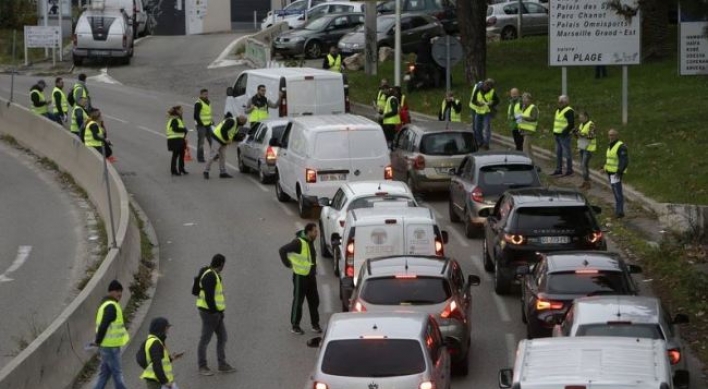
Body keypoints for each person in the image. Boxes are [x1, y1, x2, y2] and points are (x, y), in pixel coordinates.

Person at [195, 254, 235, 376]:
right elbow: (209, 298)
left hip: (215, 313)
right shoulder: (211, 276)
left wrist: (219, 312)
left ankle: (222, 364)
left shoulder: (207, 272)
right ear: (221, 264)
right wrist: (215, 312)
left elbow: (195, 291)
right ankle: (202, 366)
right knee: (205, 339)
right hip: (210, 313)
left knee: (222, 337)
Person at [279, 223, 321, 335]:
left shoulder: (310, 241)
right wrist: (288, 264)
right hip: (300, 277)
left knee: (314, 301)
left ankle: (315, 325)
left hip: (311, 276)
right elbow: (282, 250)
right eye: (315, 231)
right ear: (308, 232)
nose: (317, 233)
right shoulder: (298, 242)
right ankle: (295, 326)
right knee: (298, 301)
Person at [90, 280, 129, 389]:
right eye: (117, 291)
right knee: (117, 374)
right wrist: (98, 341)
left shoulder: (104, 305)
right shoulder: (111, 306)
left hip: (106, 346)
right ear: (110, 292)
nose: (120, 294)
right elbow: (103, 325)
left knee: (104, 374)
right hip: (110, 347)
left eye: (121, 291)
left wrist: (98, 341)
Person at [139, 317, 183, 389]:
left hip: (157, 380)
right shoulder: (155, 343)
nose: (168, 330)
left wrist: (170, 358)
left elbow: (141, 359)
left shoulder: (151, 340)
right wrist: (165, 381)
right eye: (167, 327)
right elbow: (157, 364)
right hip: (157, 383)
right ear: (161, 328)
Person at [203, 113, 248, 179]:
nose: (243, 124)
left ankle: (222, 172)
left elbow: (232, 134)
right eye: (244, 122)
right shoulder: (232, 121)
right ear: (241, 120)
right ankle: (206, 171)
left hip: (223, 141)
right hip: (217, 138)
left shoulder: (237, 124)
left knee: (223, 156)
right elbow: (223, 130)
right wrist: (228, 139)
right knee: (213, 155)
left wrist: (240, 137)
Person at [601, 129, 629, 219]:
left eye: (612, 135)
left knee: (617, 192)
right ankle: (618, 211)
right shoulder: (610, 145)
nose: (610, 136)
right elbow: (609, 159)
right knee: (615, 191)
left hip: (615, 173)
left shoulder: (620, 146)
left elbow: (624, 161)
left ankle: (620, 212)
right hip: (610, 172)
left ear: (616, 136)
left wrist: (619, 172)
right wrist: (604, 168)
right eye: (609, 135)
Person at [468, 78, 499, 150]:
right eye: (486, 86)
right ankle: (479, 141)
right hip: (478, 111)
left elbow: (497, 100)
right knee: (477, 127)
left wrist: (492, 102)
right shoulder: (478, 89)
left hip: (487, 112)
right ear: (484, 84)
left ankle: (486, 143)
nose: (487, 88)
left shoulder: (492, 91)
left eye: (489, 87)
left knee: (487, 128)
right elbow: (473, 100)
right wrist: (477, 103)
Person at [551, 95, 575, 176]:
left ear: (566, 102)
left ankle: (569, 170)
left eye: (561, 101)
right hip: (557, 135)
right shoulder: (558, 110)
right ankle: (558, 169)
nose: (560, 103)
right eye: (559, 101)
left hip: (564, 136)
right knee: (558, 153)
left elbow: (571, 124)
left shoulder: (569, 110)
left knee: (566, 153)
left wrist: (565, 132)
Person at [575, 111, 596, 189]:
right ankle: (585, 181)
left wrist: (580, 134)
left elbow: (591, 136)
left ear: (586, 117)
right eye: (579, 118)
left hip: (588, 148)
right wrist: (575, 133)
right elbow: (579, 137)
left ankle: (587, 182)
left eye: (581, 118)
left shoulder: (591, 124)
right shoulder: (581, 125)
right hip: (582, 147)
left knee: (584, 165)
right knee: (583, 165)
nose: (580, 119)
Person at [166, 105, 188, 176]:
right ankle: (174, 170)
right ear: (177, 111)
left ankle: (181, 169)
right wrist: (184, 129)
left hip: (179, 139)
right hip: (175, 140)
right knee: (175, 155)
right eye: (181, 110)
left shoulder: (177, 118)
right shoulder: (174, 119)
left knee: (182, 154)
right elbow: (175, 129)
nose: (182, 111)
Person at [517, 92, 539, 166]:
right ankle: (533, 163)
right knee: (529, 148)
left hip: (530, 131)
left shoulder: (533, 107)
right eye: (523, 98)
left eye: (525, 98)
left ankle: (525, 163)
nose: (523, 100)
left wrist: (524, 117)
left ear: (529, 99)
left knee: (525, 147)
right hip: (524, 130)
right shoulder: (523, 107)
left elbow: (534, 118)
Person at [194, 89, 214, 163]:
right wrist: (201, 123)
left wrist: (211, 120)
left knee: (212, 140)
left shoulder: (208, 102)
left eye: (207, 94)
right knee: (201, 142)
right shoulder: (198, 103)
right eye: (205, 94)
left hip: (208, 124)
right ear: (201, 94)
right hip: (201, 125)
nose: (206, 95)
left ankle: (214, 155)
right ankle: (200, 157)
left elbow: (208, 113)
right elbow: (195, 115)